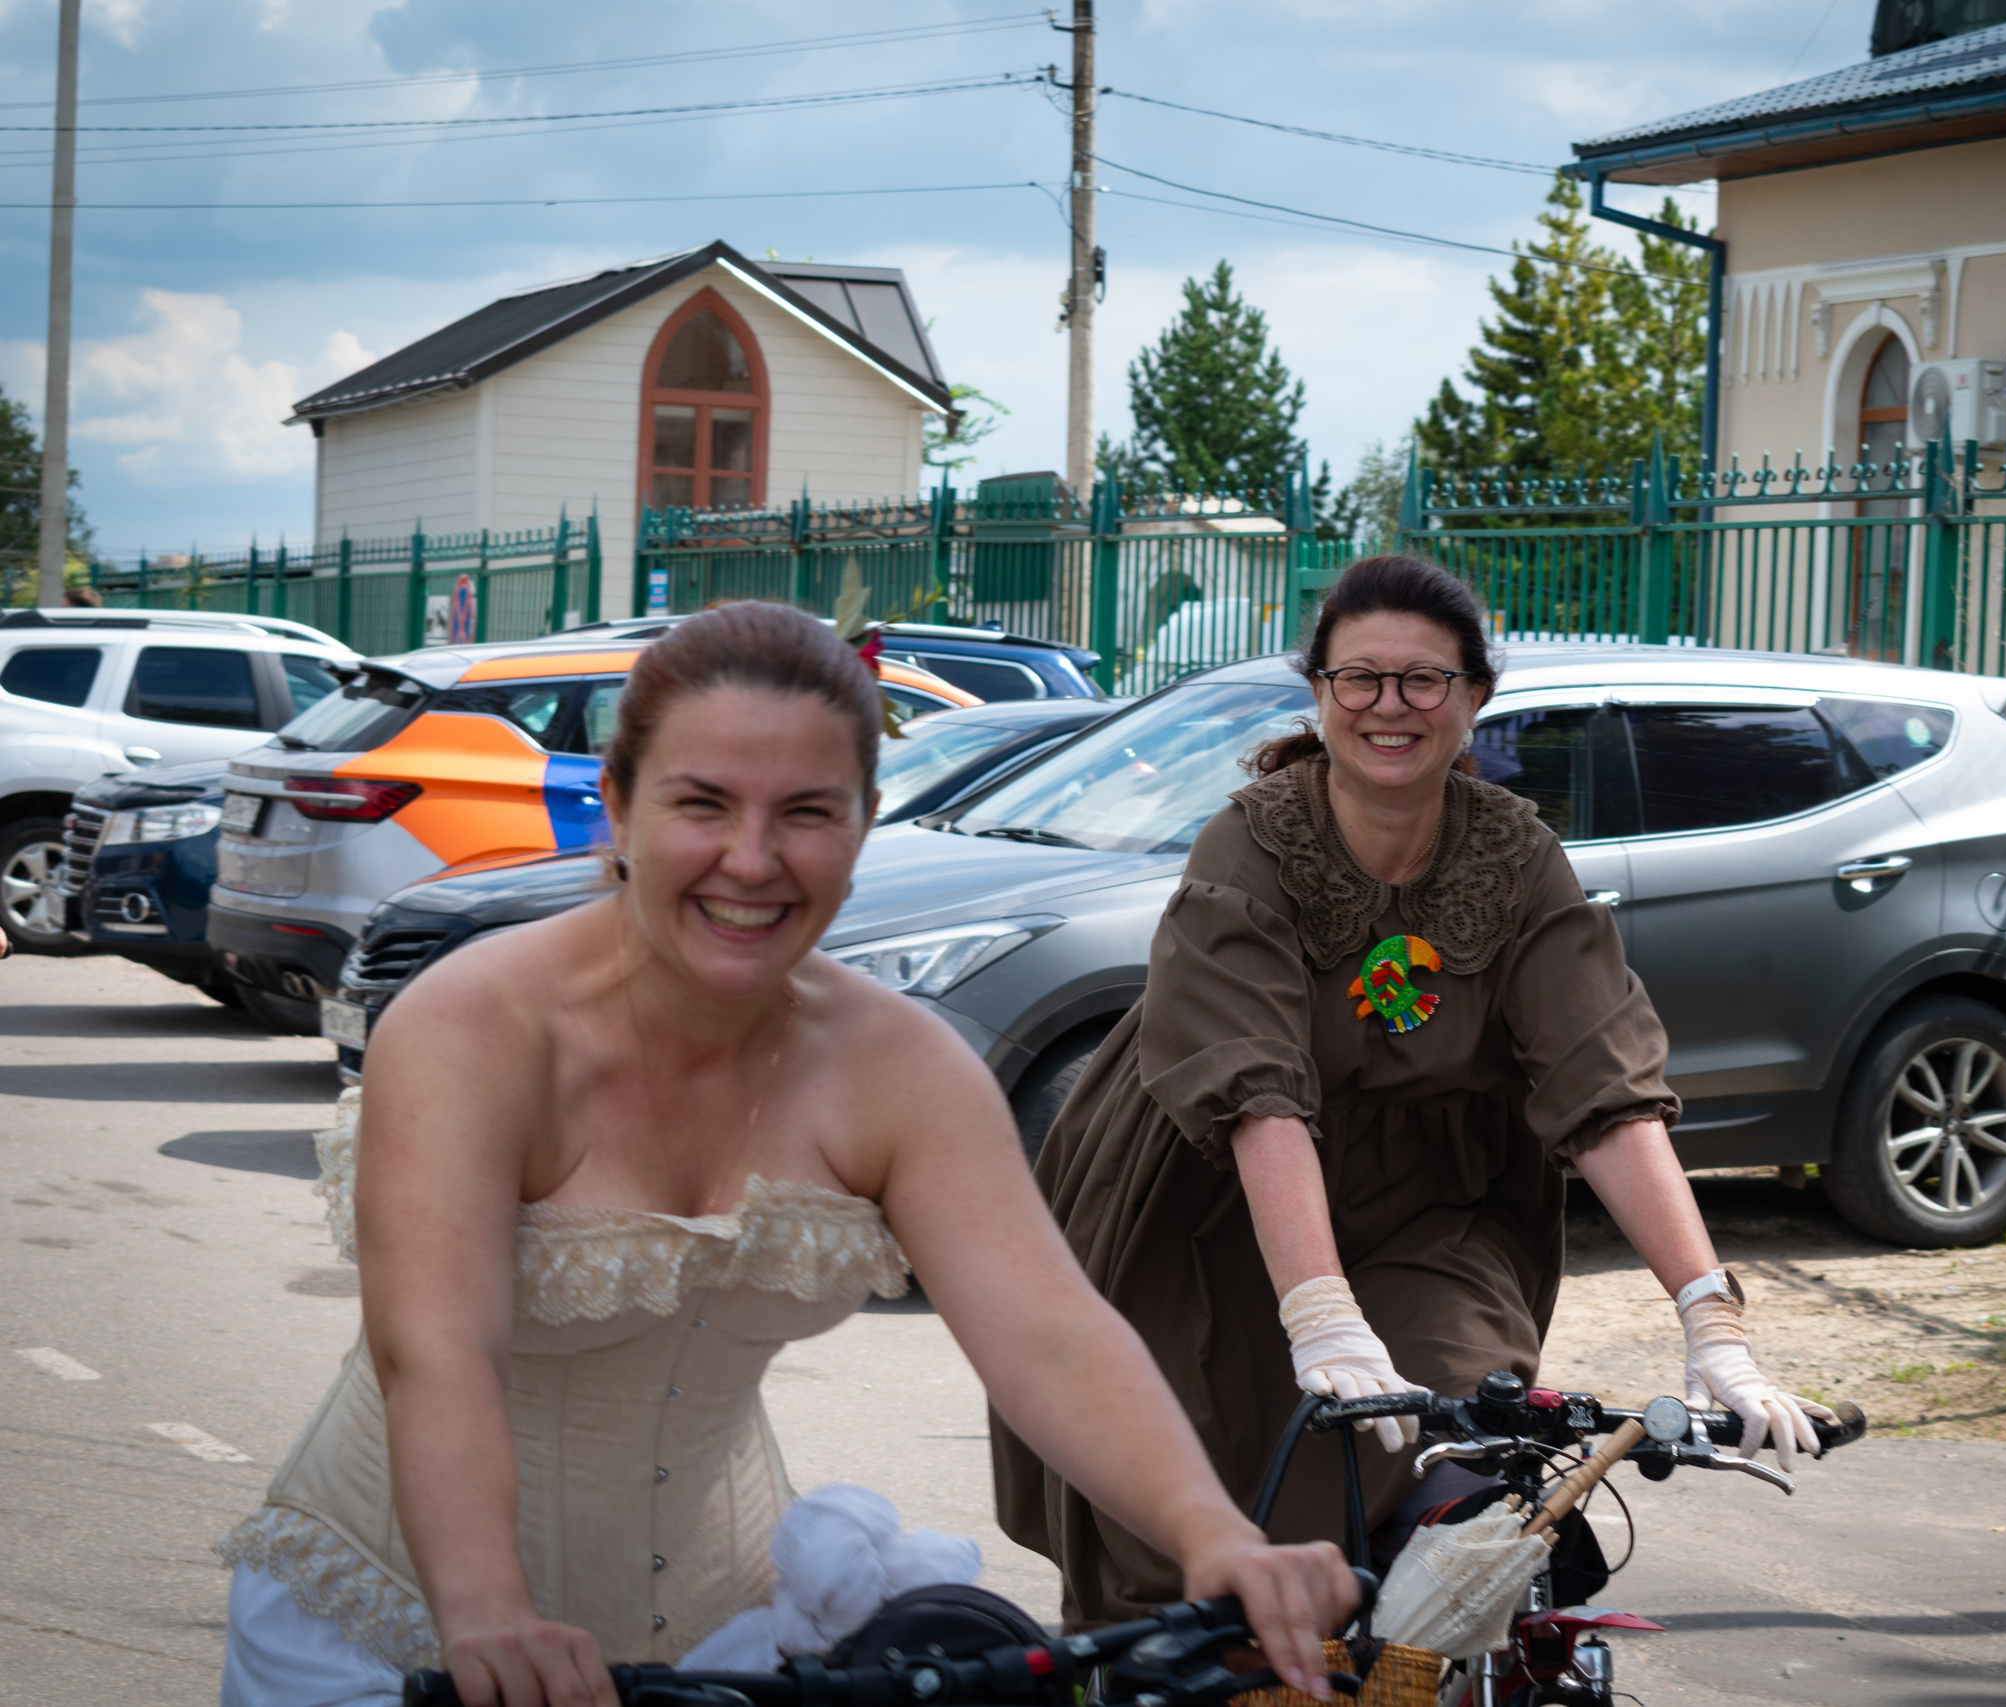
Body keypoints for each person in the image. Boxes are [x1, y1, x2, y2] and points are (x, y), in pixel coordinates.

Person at [216, 602, 1355, 1707]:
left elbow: (1047, 1338)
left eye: (806, 813)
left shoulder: (898, 1063)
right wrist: (486, 1614)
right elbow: (436, 1350)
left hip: (728, 1637)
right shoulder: (476, 1028)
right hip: (401, 1625)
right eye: (701, 804)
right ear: (616, 806)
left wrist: (1216, 1538)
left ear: (865, 821)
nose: (751, 861)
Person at [992, 556, 1831, 1626]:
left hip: (1436, 1203)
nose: (1391, 705)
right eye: (1361, 678)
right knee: (1184, 1523)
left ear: (1474, 696)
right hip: (1210, 1206)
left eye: (1424, 680)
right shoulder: (1249, 846)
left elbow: (1605, 1093)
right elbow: (1258, 1097)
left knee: (1454, 1450)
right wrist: (1321, 1314)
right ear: (1319, 693)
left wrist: (1710, 1320)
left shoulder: (1515, 856)